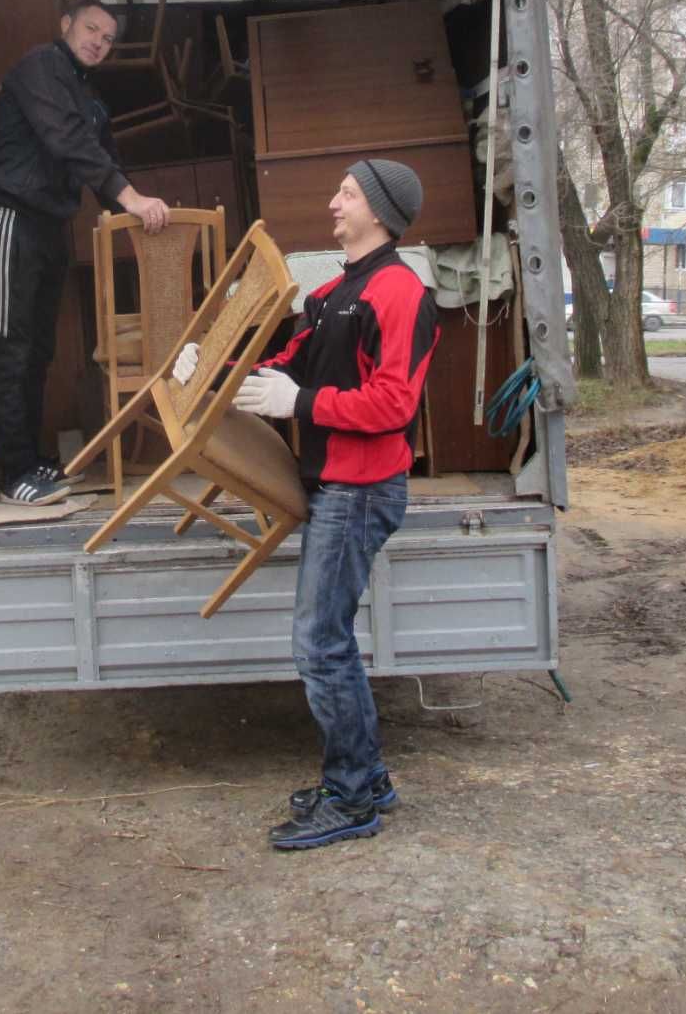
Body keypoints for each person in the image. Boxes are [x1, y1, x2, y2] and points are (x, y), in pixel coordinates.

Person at [182, 157, 438, 851]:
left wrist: (301, 403)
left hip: (361, 490)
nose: (334, 203)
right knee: (324, 640)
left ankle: (353, 798)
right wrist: (215, 378)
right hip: (332, 483)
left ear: (379, 212)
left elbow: (394, 402)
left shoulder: (401, 294)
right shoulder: (335, 293)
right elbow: (292, 359)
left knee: (320, 644)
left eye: (347, 194)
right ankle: (367, 780)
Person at [0, 0, 171, 506]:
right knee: (8, 347)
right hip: (10, 217)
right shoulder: (40, 68)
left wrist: (137, 210)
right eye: (90, 28)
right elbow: (66, 141)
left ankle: (31, 460)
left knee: (38, 349)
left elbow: (103, 160)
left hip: (51, 225)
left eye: (107, 38)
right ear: (65, 25)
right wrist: (131, 197)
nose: (98, 41)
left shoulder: (91, 99)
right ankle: (12, 471)